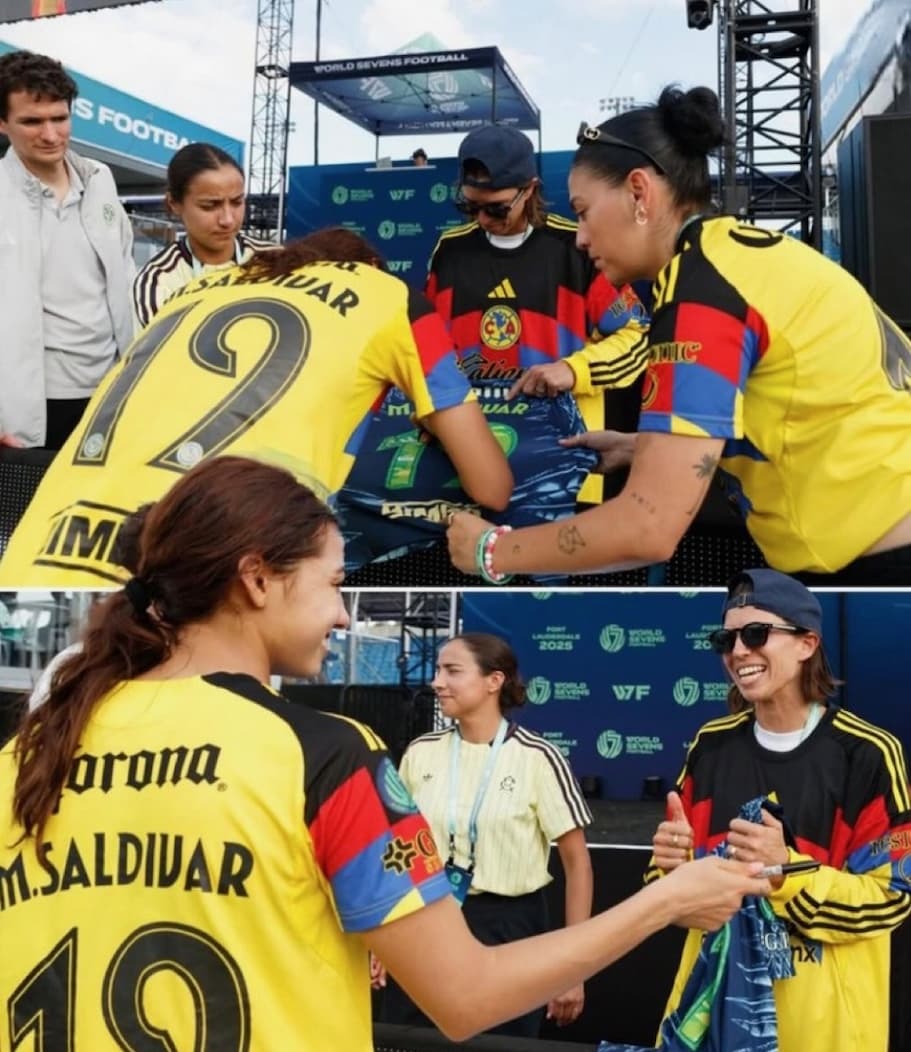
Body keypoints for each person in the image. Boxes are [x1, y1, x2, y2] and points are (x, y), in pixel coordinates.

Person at [0, 454, 772, 1049]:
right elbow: (464, 997)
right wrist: (666, 900)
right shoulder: (323, 755)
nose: (341, 615)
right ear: (257, 580)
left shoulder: (29, 754)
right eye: (333, 583)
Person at [446, 86, 911, 586]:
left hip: (882, 560)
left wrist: (494, 551)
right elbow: (803, 409)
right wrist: (643, 446)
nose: (580, 237)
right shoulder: (738, 256)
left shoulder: (702, 292)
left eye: (583, 212)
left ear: (639, 193)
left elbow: (648, 527)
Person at [0, 227, 513, 587]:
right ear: (368, 269)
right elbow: (491, 485)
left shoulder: (197, 287)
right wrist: (431, 415)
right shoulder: (390, 296)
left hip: (31, 555)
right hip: (192, 571)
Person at [647, 568, 911, 1052]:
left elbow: (893, 894)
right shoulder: (710, 747)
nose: (739, 651)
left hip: (821, 1031)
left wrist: (786, 872)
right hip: (708, 1021)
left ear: (807, 644)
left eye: (756, 634)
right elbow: (668, 888)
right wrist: (671, 869)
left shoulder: (871, 754)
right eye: (727, 639)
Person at [381, 632, 593, 1036]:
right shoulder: (420, 752)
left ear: (494, 681)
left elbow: (577, 864)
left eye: (452, 671)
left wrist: (573, 968)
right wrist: (385, 936)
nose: (437, 682)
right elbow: (398, 851)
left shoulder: (538, 757)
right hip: (424, 923)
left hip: (510, 929)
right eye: (438, 670)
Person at [426, 122, 649, 505]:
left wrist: (574, 370)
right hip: (465, 463)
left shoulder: (576, 250)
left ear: (529, 189)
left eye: (495, 208)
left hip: (561, 463)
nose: (481, 219)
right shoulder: (448, 250)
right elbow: (424, 347)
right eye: (469, 205)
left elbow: (637, 336)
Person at [0, 49, 135, 450]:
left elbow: (125, 280)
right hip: (29, 405)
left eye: (59, 118)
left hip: (110, 395)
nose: (50, 134)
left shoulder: (100, 181)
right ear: (3, 123)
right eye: (32, 121)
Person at [132, 142, 273, 331]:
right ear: (174, 203)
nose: (227, 220)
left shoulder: (274, 260)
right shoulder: (158, 282)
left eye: (237, 202)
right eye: (209, 206)